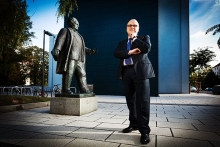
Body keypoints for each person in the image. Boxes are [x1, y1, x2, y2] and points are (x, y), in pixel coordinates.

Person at [114, 19, 155, 144]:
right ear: (126, 27)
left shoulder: (144, 38)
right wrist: (130, 52)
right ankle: (134, 124)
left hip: (141, 73)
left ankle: (144, 131)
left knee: (143, 101)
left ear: (138, 28)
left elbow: (146, 48)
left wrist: (135, 39)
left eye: (135, 25)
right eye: (130, 25)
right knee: (130, 101)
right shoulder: (122, 42)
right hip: (126, 73)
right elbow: (116, 53)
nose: (132, 27)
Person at [51, 17, 97, 94]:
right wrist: (57, 49)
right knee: (69, 73)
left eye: (78, 24)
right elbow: (60, 40)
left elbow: (82, 47)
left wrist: (89, 50)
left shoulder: (79, 35)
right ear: (71, 23)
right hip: (70, 57)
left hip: (79, 58)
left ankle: (84, 89)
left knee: (82, 74)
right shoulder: (65, 30)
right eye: (76, 23)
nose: (77, 25)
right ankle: (66, 89)